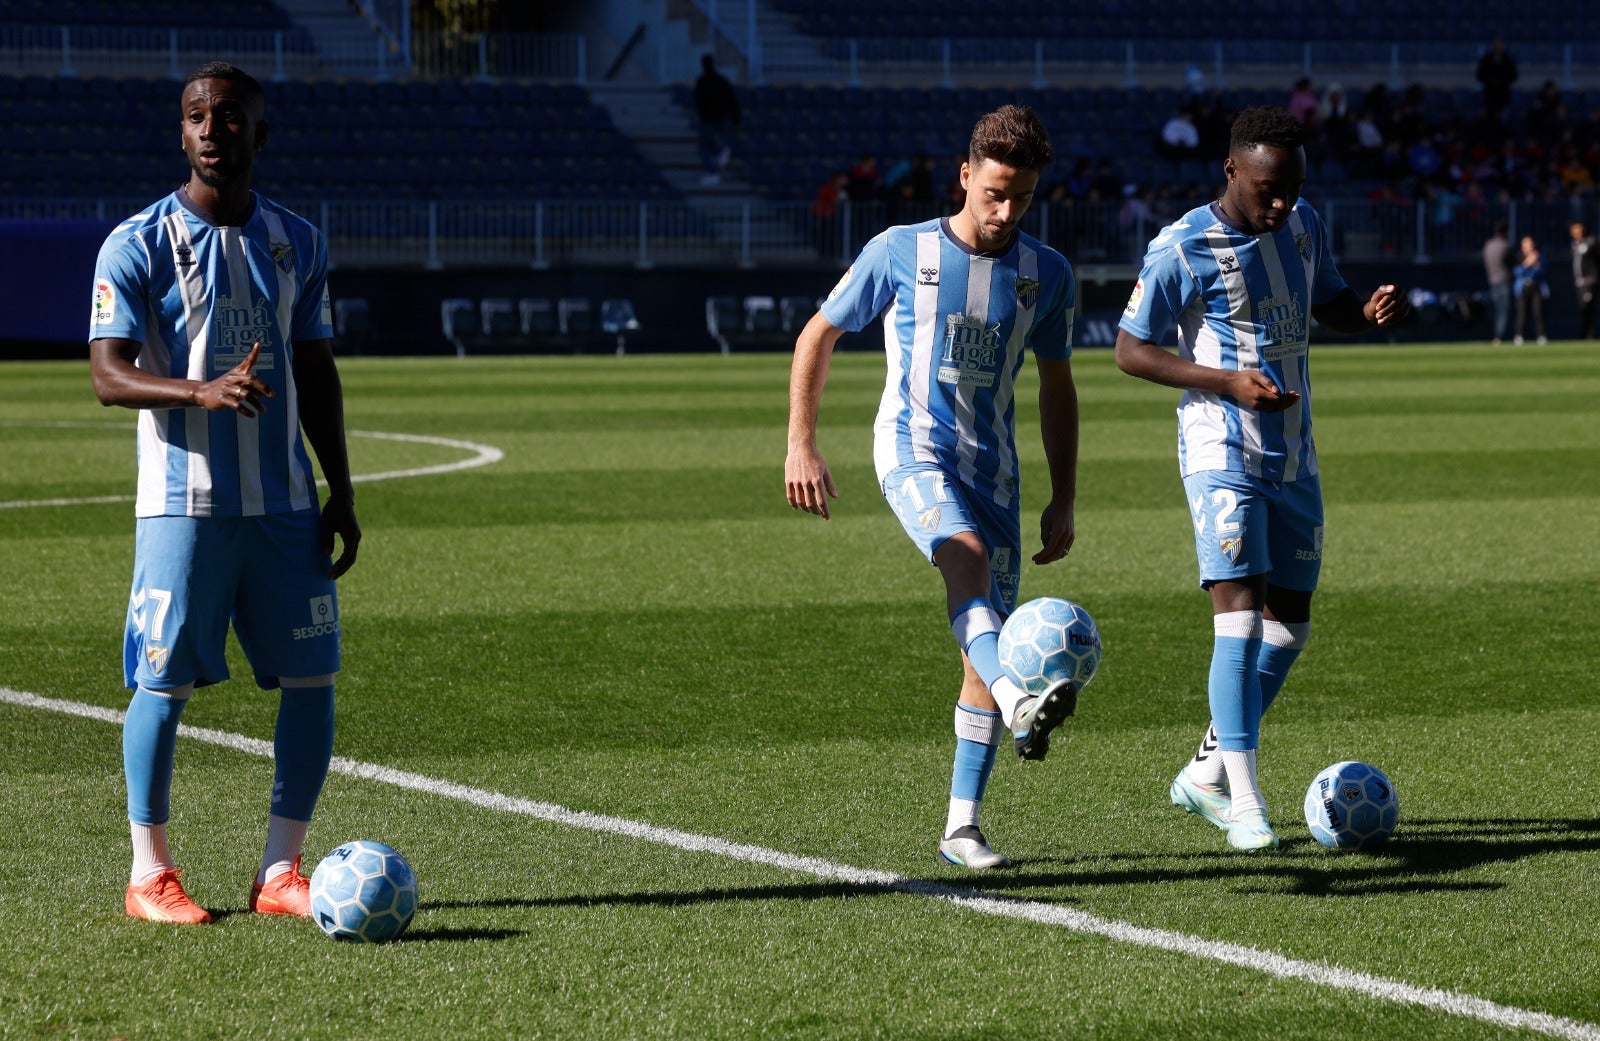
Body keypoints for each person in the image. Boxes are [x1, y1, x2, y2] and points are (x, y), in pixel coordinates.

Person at [88, 62, 360, 923]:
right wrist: (196, 392)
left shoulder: (299, 242)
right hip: (184, 503)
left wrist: (341, 489)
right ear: (181, 133)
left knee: (313, 679)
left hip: (282, 504)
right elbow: (107, 373)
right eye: (197, 116)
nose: (212, 128)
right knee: (162, 685)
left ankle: (281, 869)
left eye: (230, 115)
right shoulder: (135, 243)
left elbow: (317, 374)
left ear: (258, 132)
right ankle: (147, 873)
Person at [785, 105, 1080, 870]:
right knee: (966, 562)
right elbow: (818, 332)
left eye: (1021, 197)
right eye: (993, 192)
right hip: (911, 449)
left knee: (979, 633)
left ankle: (962, 825)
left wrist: (1065, 494)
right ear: (965, 176)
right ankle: (1022, 698)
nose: (1005, 210)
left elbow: (1058, 386)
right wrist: (801, 443)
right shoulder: (898, 250)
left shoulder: (1047, 274)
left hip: (997, 471)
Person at [1113, 106, 1410, 852]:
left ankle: (1207, 770)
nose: (1280, 204)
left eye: (1292, 189)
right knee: (1239, 618)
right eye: (1268, 190)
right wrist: (1223, 382)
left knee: (1291, 624)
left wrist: (1365, 312)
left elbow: (1329, 301)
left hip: (1295, 453)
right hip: (1222, 450)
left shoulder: (1302, 224)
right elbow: (1129, 349)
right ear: (1232, 171)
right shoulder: (1184, 246)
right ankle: (1245, 800)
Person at [692, 54, 740, 186]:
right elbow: (733, 101)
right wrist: (736, 120)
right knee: (711, 144)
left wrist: (701, 116)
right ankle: (722, 150)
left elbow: (698, 102)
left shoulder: (702, 82)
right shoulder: (722, 80)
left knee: (703, 147)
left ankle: (712, 172)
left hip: (709, 119)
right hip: (723, 118)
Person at [1513, 235, 1548, 345]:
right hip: (1522, 288)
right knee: (1521, 314)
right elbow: (1517, 272)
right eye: (1525, 245)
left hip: (1536, 286)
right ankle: (1519, 336)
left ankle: (1541, 336)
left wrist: (1534, 266)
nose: (1528, 247)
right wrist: (1527, 264)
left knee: (1538, 312)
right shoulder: (1518, 257)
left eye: (1530, 244)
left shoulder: (1539, 256)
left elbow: (1542, 272)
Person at [1483, 221, 1513, 345]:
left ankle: (1494, 335)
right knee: (1502, 311)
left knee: (1495, 310)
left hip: (1492, 280)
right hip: (1503, 281)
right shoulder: (1505, 245)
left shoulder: (1488, 245)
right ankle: (1499, 336)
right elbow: (1511, 262)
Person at [1475, 39, 1517, 123]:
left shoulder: (1508, 59)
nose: (1498, 47)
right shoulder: (1486, 59)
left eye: (1500, 45)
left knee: (1504, 120)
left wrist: (1503, 80)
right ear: (1492, 46)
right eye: (1496, 45)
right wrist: (1490, 80)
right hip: (1489, 95)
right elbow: (1479, 74)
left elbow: (1514, 75)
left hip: (1503, 95)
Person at [1570, 221, 1598, 339]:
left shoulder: (1591, 242)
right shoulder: (1574, 244)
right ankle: (1585, 334)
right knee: (1582, 308)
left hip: (1589, 281)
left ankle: (1589, 334)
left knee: (1588, 307)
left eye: (1578, 230)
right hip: (1579, 282)